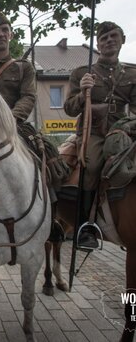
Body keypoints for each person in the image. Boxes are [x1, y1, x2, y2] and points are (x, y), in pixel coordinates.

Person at [64, 21, 136, 249]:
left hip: (124, 131)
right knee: (91, 166)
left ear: (122, 40)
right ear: (98, 44)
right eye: (103, 38)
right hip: (92, 132)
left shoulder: (133, 73)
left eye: (113, 36)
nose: (109, 41)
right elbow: (69, 109)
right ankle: (85, 226)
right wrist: (83, 91)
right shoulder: (82, 72)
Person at [0, 11, 36, 123]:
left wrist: (11, 118)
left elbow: (28, 97)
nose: (1, 34)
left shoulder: (23, 68)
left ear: (11, 35)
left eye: (5, 30)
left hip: (13, 125)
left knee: (37, 141)